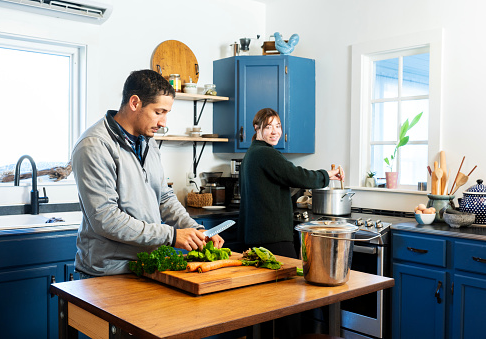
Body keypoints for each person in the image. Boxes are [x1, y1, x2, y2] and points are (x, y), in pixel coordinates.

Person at [71, 69, 223, 278]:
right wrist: (172, 236)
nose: (163, 123)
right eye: (159, 112)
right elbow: (106, 219)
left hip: (147, 265)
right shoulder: (94, 145)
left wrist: (195, 230)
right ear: (135, 103)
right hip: (108, 273)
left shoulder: (148, 141)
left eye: (166, 113)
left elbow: (164, 197)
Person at [238, 107, 344, 258]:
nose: (275, 131)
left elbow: (278, 182)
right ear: (257, 128)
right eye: (268, 127)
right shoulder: (266, 153)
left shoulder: (250, 154)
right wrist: (326, 175)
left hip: (255, 236)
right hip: (273, 236)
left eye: (278, 126)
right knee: (290, 280)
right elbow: (298, 176)